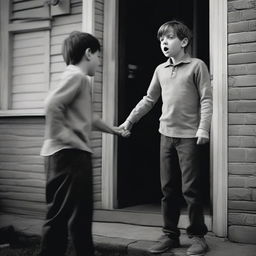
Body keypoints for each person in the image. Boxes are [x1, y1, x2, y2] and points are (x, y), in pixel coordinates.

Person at [120, 20, 212, 255]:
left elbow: (206, 99)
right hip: (165, 136)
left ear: (183, 41)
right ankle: (170, 235)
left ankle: (198, 236)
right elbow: (149, 100)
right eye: (161, 39)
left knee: (190, 188)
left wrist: (204, 128)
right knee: (168, 188)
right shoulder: (160, 70)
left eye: (169, 38)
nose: (164, 42)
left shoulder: (197, 66)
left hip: (190, 136)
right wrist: (129, 121)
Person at [38, 31, 129, 256]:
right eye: (98, 56)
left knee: (78, 216)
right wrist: (67, 137)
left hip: (64, 155)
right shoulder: (77, 76)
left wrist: (113, 130)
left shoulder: (74, 78)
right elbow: (52, 106)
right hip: (69, 156)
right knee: (64, 218)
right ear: (88, 53)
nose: (99, 61)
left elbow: (89, 118)